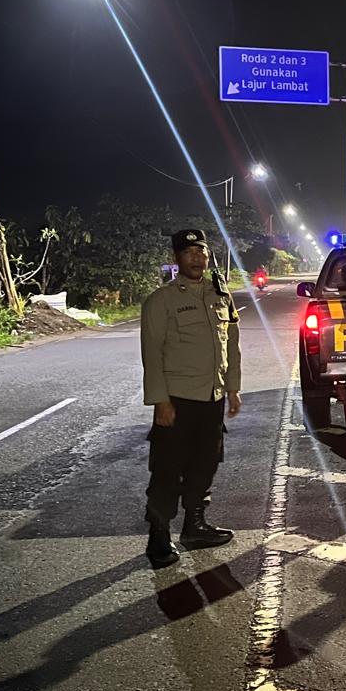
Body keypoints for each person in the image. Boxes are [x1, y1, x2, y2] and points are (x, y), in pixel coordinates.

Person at [139, 228, 243, 568]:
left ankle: (195, 526)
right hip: (178, 400)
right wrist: (160, 401)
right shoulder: (161, 301)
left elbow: (232, 346)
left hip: (211, 397)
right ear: (176, 258)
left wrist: (232, 388)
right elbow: (151, 354)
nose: (197, 257)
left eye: (202, 252)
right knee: (168, 470)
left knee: (205, 465)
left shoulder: (220, 297)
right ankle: (158, 536)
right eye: (189, 252)